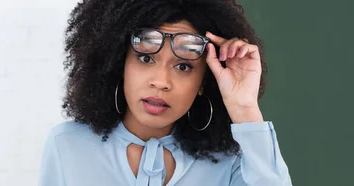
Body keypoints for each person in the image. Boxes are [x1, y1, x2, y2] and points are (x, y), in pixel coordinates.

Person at [39, 0, 292, 185]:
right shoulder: (67, 145)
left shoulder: (231, 163)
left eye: (183, 66)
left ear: (204, 81)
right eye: (146, 59)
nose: (161, 82)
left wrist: (244, 106)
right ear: (119, 63)